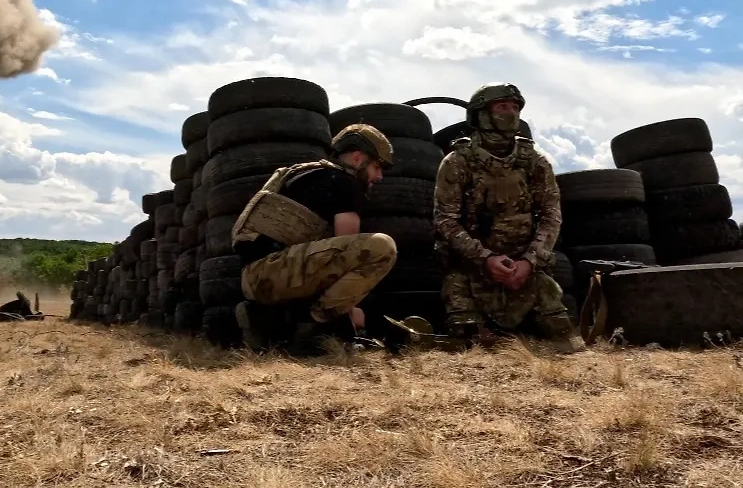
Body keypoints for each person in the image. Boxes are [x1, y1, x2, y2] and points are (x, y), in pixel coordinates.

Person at [433, 83, 586, 354]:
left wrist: (528, 261)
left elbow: (551, 216)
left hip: (526, 272)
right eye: (502, 107)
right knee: (468, 341)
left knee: (565, 341)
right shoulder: (457, 162)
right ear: (481, 114)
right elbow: (446, 221)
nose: (512, 113)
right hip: (471, 272)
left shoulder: (535, 161)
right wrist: (485, 258)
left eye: (515, 107)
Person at [232, 124, 399, 352]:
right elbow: (347, 253)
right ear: (358, 158)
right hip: (277, 271)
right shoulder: (344, 183)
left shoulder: (302, 173)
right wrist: (347, 312)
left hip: (253, 278)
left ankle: (270, 321)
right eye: (377, 167)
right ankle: (316, 328)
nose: (379, 177)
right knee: (381, 247)